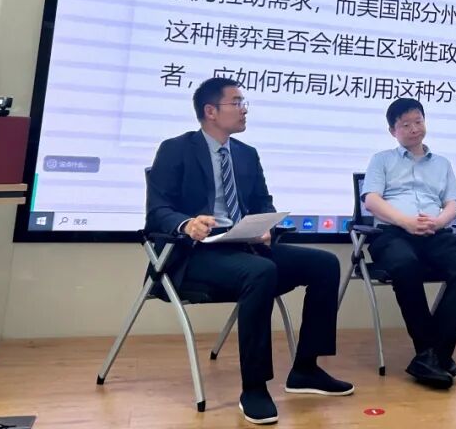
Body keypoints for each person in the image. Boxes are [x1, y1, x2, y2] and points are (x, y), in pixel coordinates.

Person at [146, 77, 354, 424]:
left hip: (244, 246)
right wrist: (187, 224)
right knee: (261, 272)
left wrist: (265, 226)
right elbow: (157, 210)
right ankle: (254, 387)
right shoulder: (175, 149)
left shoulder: (246, 154)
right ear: (210, 111)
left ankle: (305, 369)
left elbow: (261, 202)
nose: (244, 110)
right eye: (237, 102)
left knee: (325, 264)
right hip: (195, 253)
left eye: (244, 103)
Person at [360, 98, 456, 390]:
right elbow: (371, 200)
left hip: (435, 234)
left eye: (418, 121)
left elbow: (452, 204)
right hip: (393, 234)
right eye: (405, 124)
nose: (414, 129)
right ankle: (434, 354)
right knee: (406, 265)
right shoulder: (381, 160)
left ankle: (431, 355)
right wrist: (405, 222)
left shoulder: (442, 164)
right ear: (393, 131)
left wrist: (438, 222)